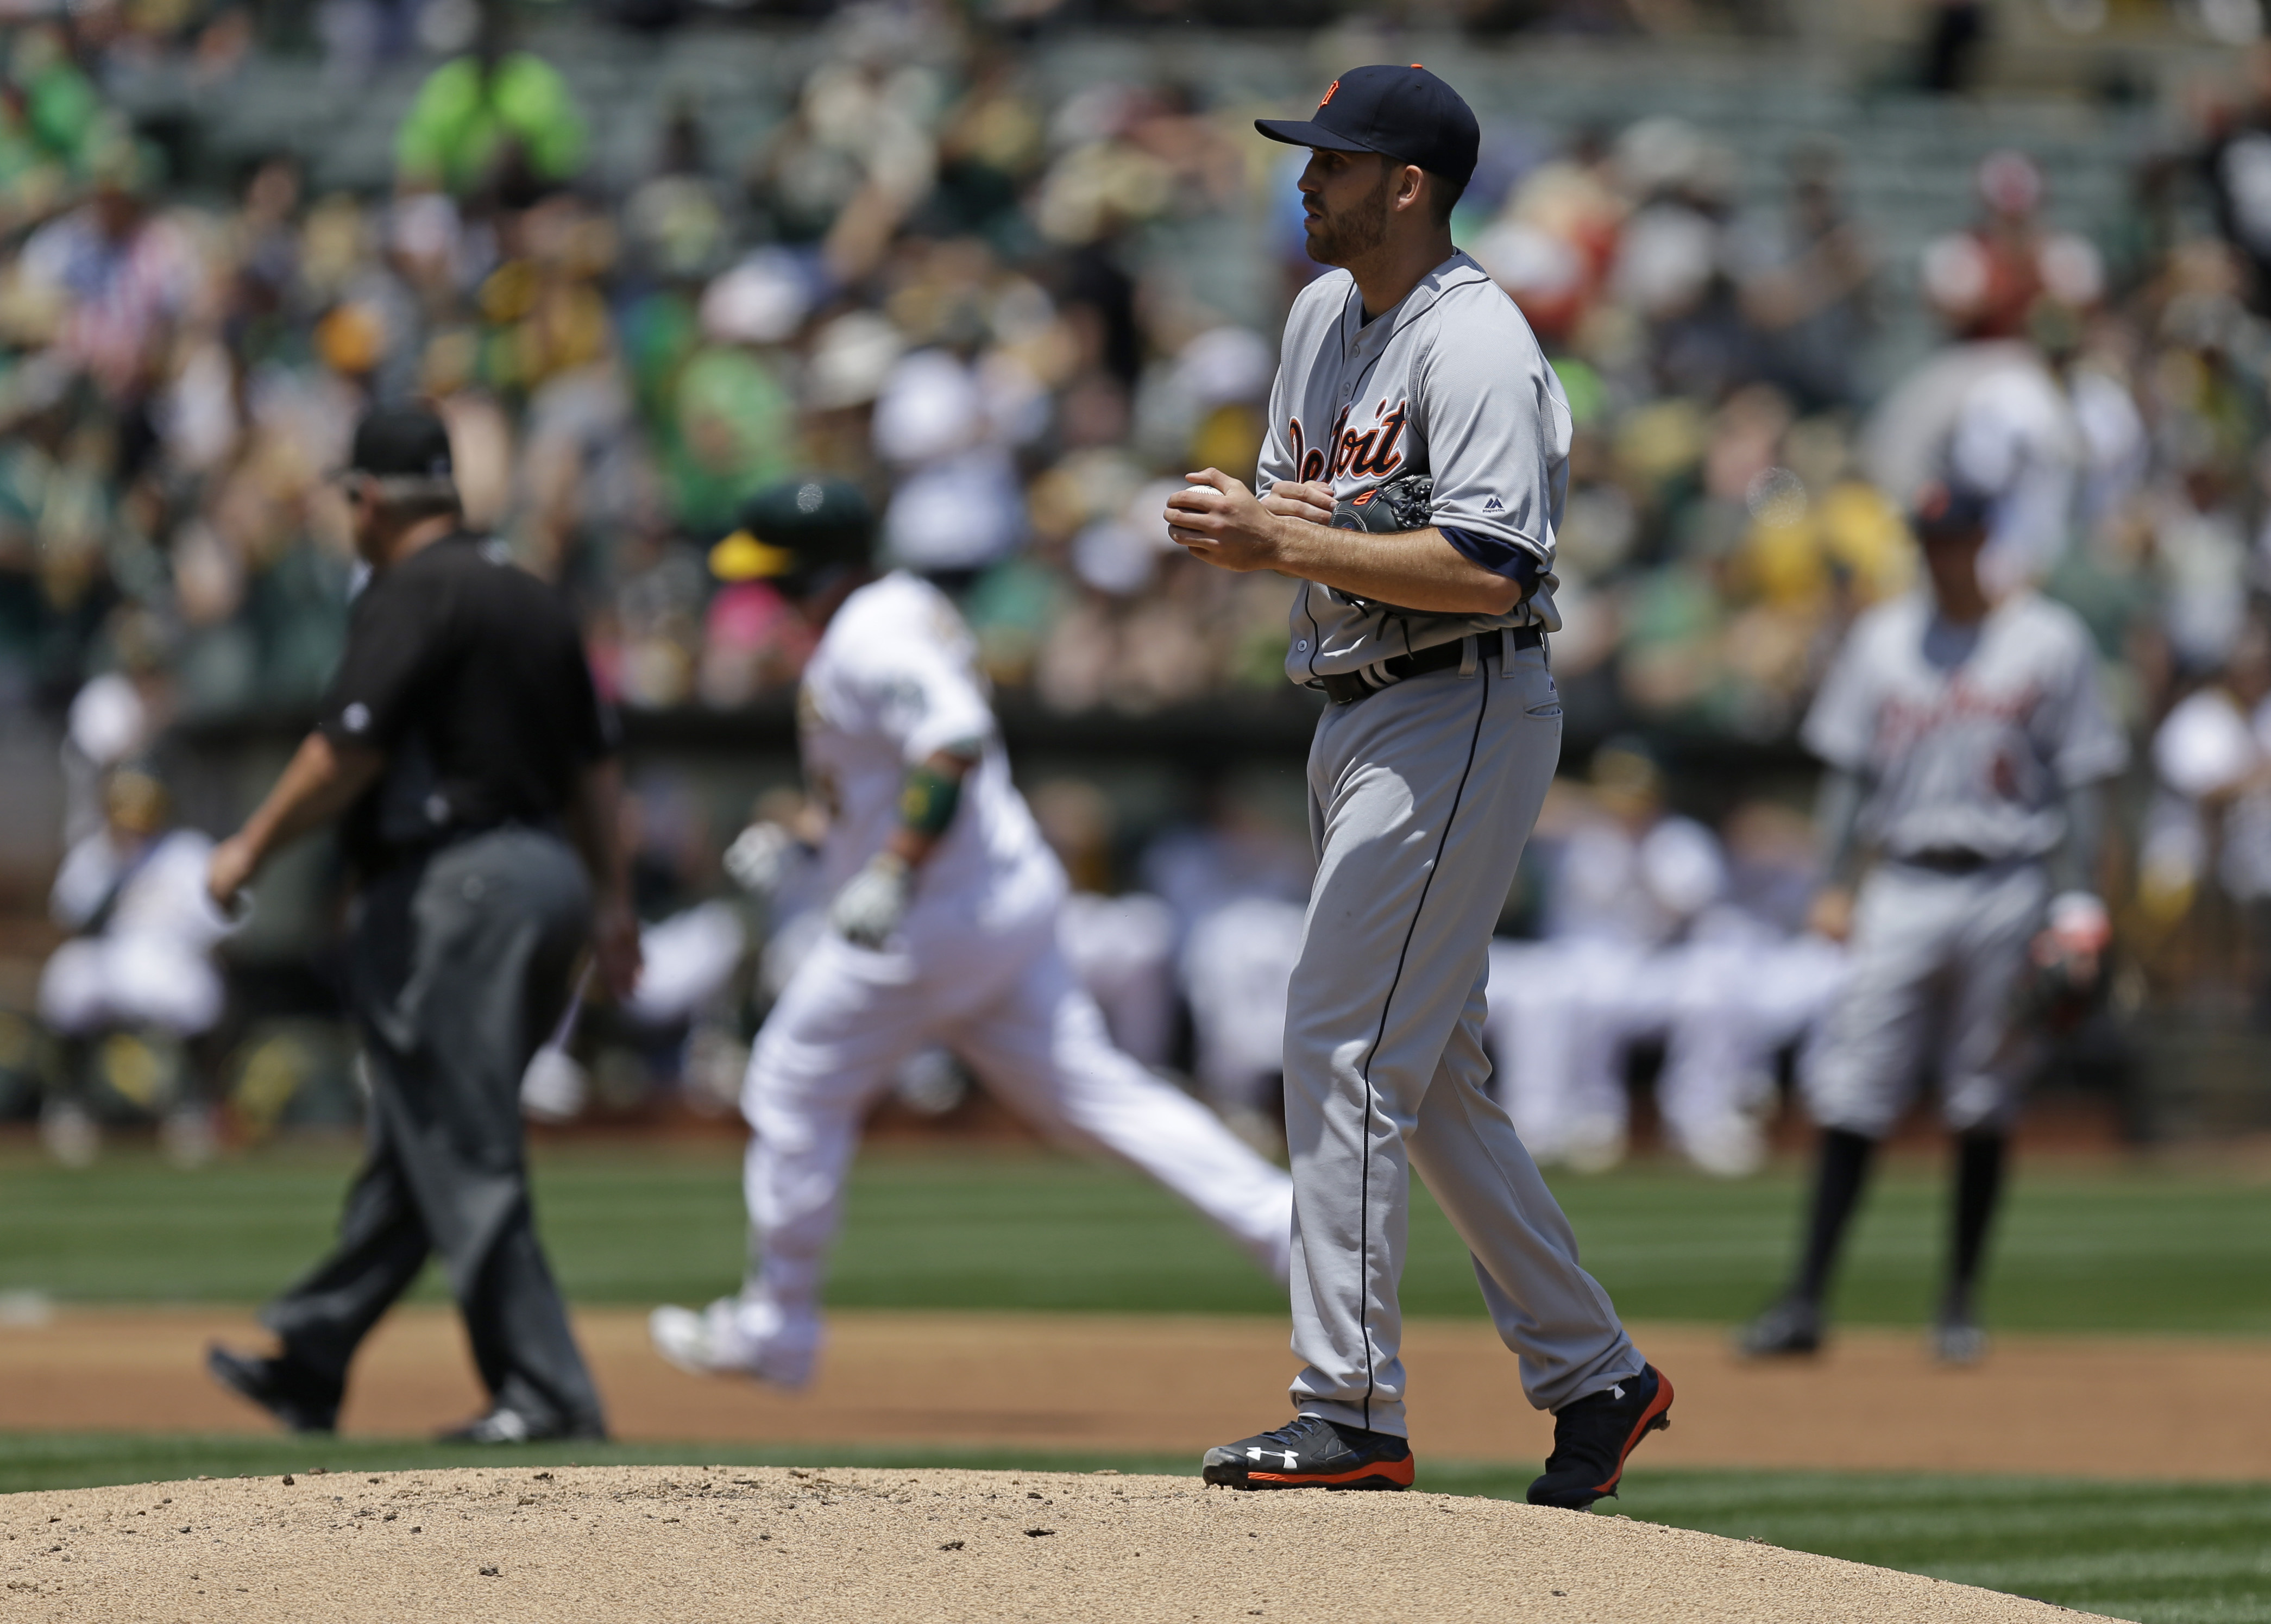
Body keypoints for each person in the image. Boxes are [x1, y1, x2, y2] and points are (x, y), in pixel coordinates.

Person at [1164, 65, 1670, 1507]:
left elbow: (1491, 563)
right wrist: (1263, 523)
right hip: (1353, 710)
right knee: (1430, 1079)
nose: (1303, 179)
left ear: (1407, 186)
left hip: (1458, 702)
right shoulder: (1322, 316)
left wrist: (1283, 542)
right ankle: (1597, 1373)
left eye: (1331, 161)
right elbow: (1306, 504)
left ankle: (1347, 1406)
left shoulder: (1481, 341)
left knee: (1336, 1041)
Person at [647, 477, 1293, 1387]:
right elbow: (890, 770)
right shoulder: (896, 605)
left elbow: (951, 743)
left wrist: (889, 868)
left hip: (937, 913)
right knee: (1092, 1092)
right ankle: (1286, 1228)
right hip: (995, 894)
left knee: (791, 1078)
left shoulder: (871, 634)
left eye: (781, 575)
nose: (770, 593)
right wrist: (808, 837)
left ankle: (776, 1323)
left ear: (821, 569)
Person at [204, 403, 640, 1443]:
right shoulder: (533, 595)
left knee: (459, 1132)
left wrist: (250, 845)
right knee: (423, 1133)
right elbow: (595, 771)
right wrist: (615, 901)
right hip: (548, 882)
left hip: (461, 888)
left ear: (367, 501)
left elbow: (345, 748)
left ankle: (545, 1391)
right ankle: (313, 1352)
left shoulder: (411, 592)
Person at [1738, 479, 2125, 1366]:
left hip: (2009, 878)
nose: (1939, 551)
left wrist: (2079, 903)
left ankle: (1957, 1299)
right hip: (1903, 881)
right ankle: (1804, 1298)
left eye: (1953, 537)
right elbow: (1849, 773)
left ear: (1985, 538)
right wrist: (1835, 881)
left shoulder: (2048, 640)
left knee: (1982, 1095)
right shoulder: (1882, 640)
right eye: (1928, 537)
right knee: (1851, 1086)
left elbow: (2081, 778)